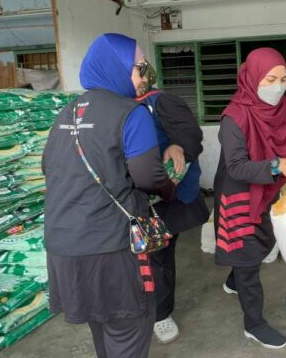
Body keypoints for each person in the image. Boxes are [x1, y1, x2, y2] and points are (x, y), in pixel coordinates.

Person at [43, 33, 176, 358]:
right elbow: (148, 177)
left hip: (63, 250)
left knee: (103, 331)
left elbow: (49, 168)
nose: (145, 76)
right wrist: (169, 188)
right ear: (115, 68)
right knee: (129, 334)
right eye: (140, 68)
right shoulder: (132, 113)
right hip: (111, 251)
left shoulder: (67, 113)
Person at [214, 47, 286, 349]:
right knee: (249, 258)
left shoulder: (284, 108)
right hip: (239, 194)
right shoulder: (235, 116)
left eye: (283, 79)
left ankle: (234, 278)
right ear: (253, 77)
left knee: (264, 242)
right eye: (271, 78)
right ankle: (253, 323)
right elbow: (237, 166)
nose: (278, 86)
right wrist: (279, 164)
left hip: (267, 189)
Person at [136, 83, 210, 344]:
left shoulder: (159, 101)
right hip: (129, 197)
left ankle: (161, 314)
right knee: (132, 259)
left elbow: (191, 136)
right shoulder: (115, 104)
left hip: (162, 199)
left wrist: (178, 146)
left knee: (159, 257)